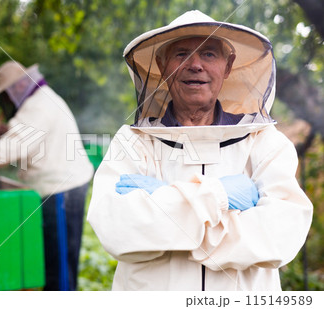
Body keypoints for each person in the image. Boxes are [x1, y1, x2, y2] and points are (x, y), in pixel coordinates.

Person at [87, 10, 313, 290]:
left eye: (208, 54)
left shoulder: (264, 141)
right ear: (162, 64)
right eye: (181, 54)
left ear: (228, 66)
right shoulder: (132, 142)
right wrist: (219, 197)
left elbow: (280, 235)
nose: (195, 64)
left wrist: (163, 205)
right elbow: (117, 229)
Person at [0, 61, 94, 291]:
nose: (6, 103)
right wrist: (10, 133)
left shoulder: (38, 105)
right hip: (57, 189)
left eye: (5, 97)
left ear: (18, 88)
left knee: (59, 268)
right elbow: (27, 140)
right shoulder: (40, 101)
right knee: (51, 260)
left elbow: (14, 148)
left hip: (61, 191)